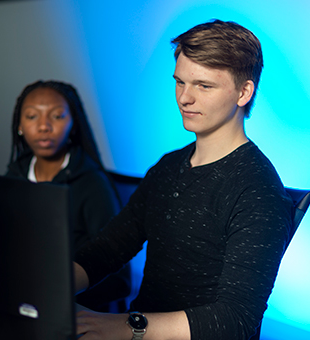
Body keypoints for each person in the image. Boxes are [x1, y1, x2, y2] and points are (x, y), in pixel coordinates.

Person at [73, 20, 294, 340]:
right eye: (180, 82)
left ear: (243, 92)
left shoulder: (258, 190)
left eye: (204, 86)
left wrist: (125, 327)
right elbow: (108, 249)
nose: (184, 98)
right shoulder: (168, 167)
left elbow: (235, 321)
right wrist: (50, 288)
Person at [5, 80, 129, 311]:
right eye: (32, 117)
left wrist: (58, 297)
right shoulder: (14, 175)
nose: (44, 126)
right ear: (19, 125)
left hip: (72, 308)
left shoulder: (92, 184)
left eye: (57, 116)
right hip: (21, 303)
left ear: (73, 124)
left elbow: (119, 280)